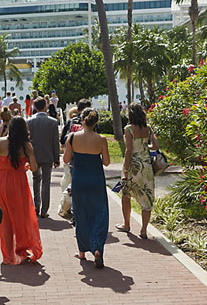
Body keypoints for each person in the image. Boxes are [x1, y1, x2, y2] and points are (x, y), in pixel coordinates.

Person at [0, 117, 43, 264]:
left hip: (3, 182)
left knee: (4, 220)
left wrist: (1, 162)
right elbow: (35, 168)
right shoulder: (26, 146)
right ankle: (21, 249)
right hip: (19, 184)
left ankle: (8, 255)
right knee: (21, 217)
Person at [63, 108, 110, 268]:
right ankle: (97, 247)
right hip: (96, 179)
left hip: (79, 179)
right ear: (96, 122)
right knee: (99, 213)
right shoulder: (101, 139)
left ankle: (82, 251)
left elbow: (66, 158)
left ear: (82, 120)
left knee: (81, 214)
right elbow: (106, 162)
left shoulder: (72, 137)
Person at [115, 103, 159, 239]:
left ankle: (126, 224)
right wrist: (145, 147)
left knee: (126, 194)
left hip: (134, 167)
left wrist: (126, 171)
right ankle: (144, 230)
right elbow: (156, 146)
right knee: (147, 197)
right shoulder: (148, 129)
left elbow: (128, 151)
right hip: (146, 167)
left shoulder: (128, 129)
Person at [27, 97, 60, 219]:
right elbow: (55, 142)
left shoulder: (29, 121)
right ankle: (44, 210)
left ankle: (36, 206)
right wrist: (56, 158)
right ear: (45, 106)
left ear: (35, 107)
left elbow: (27, 141)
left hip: (33, 156)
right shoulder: (52, 122)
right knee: (46, 182)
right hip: (48, 155)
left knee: (36, 181)